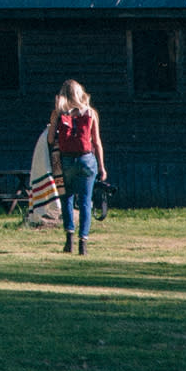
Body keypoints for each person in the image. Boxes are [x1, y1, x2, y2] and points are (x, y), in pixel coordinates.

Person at [51, 80, 107, 254]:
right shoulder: (90, 113)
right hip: (87, 160)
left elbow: (50, 139)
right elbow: (96, 142)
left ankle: (69, 238)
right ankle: (83, 242)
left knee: (66, 197)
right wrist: (102, 167)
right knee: (85, 201)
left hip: (67, 160)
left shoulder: (59, 113)